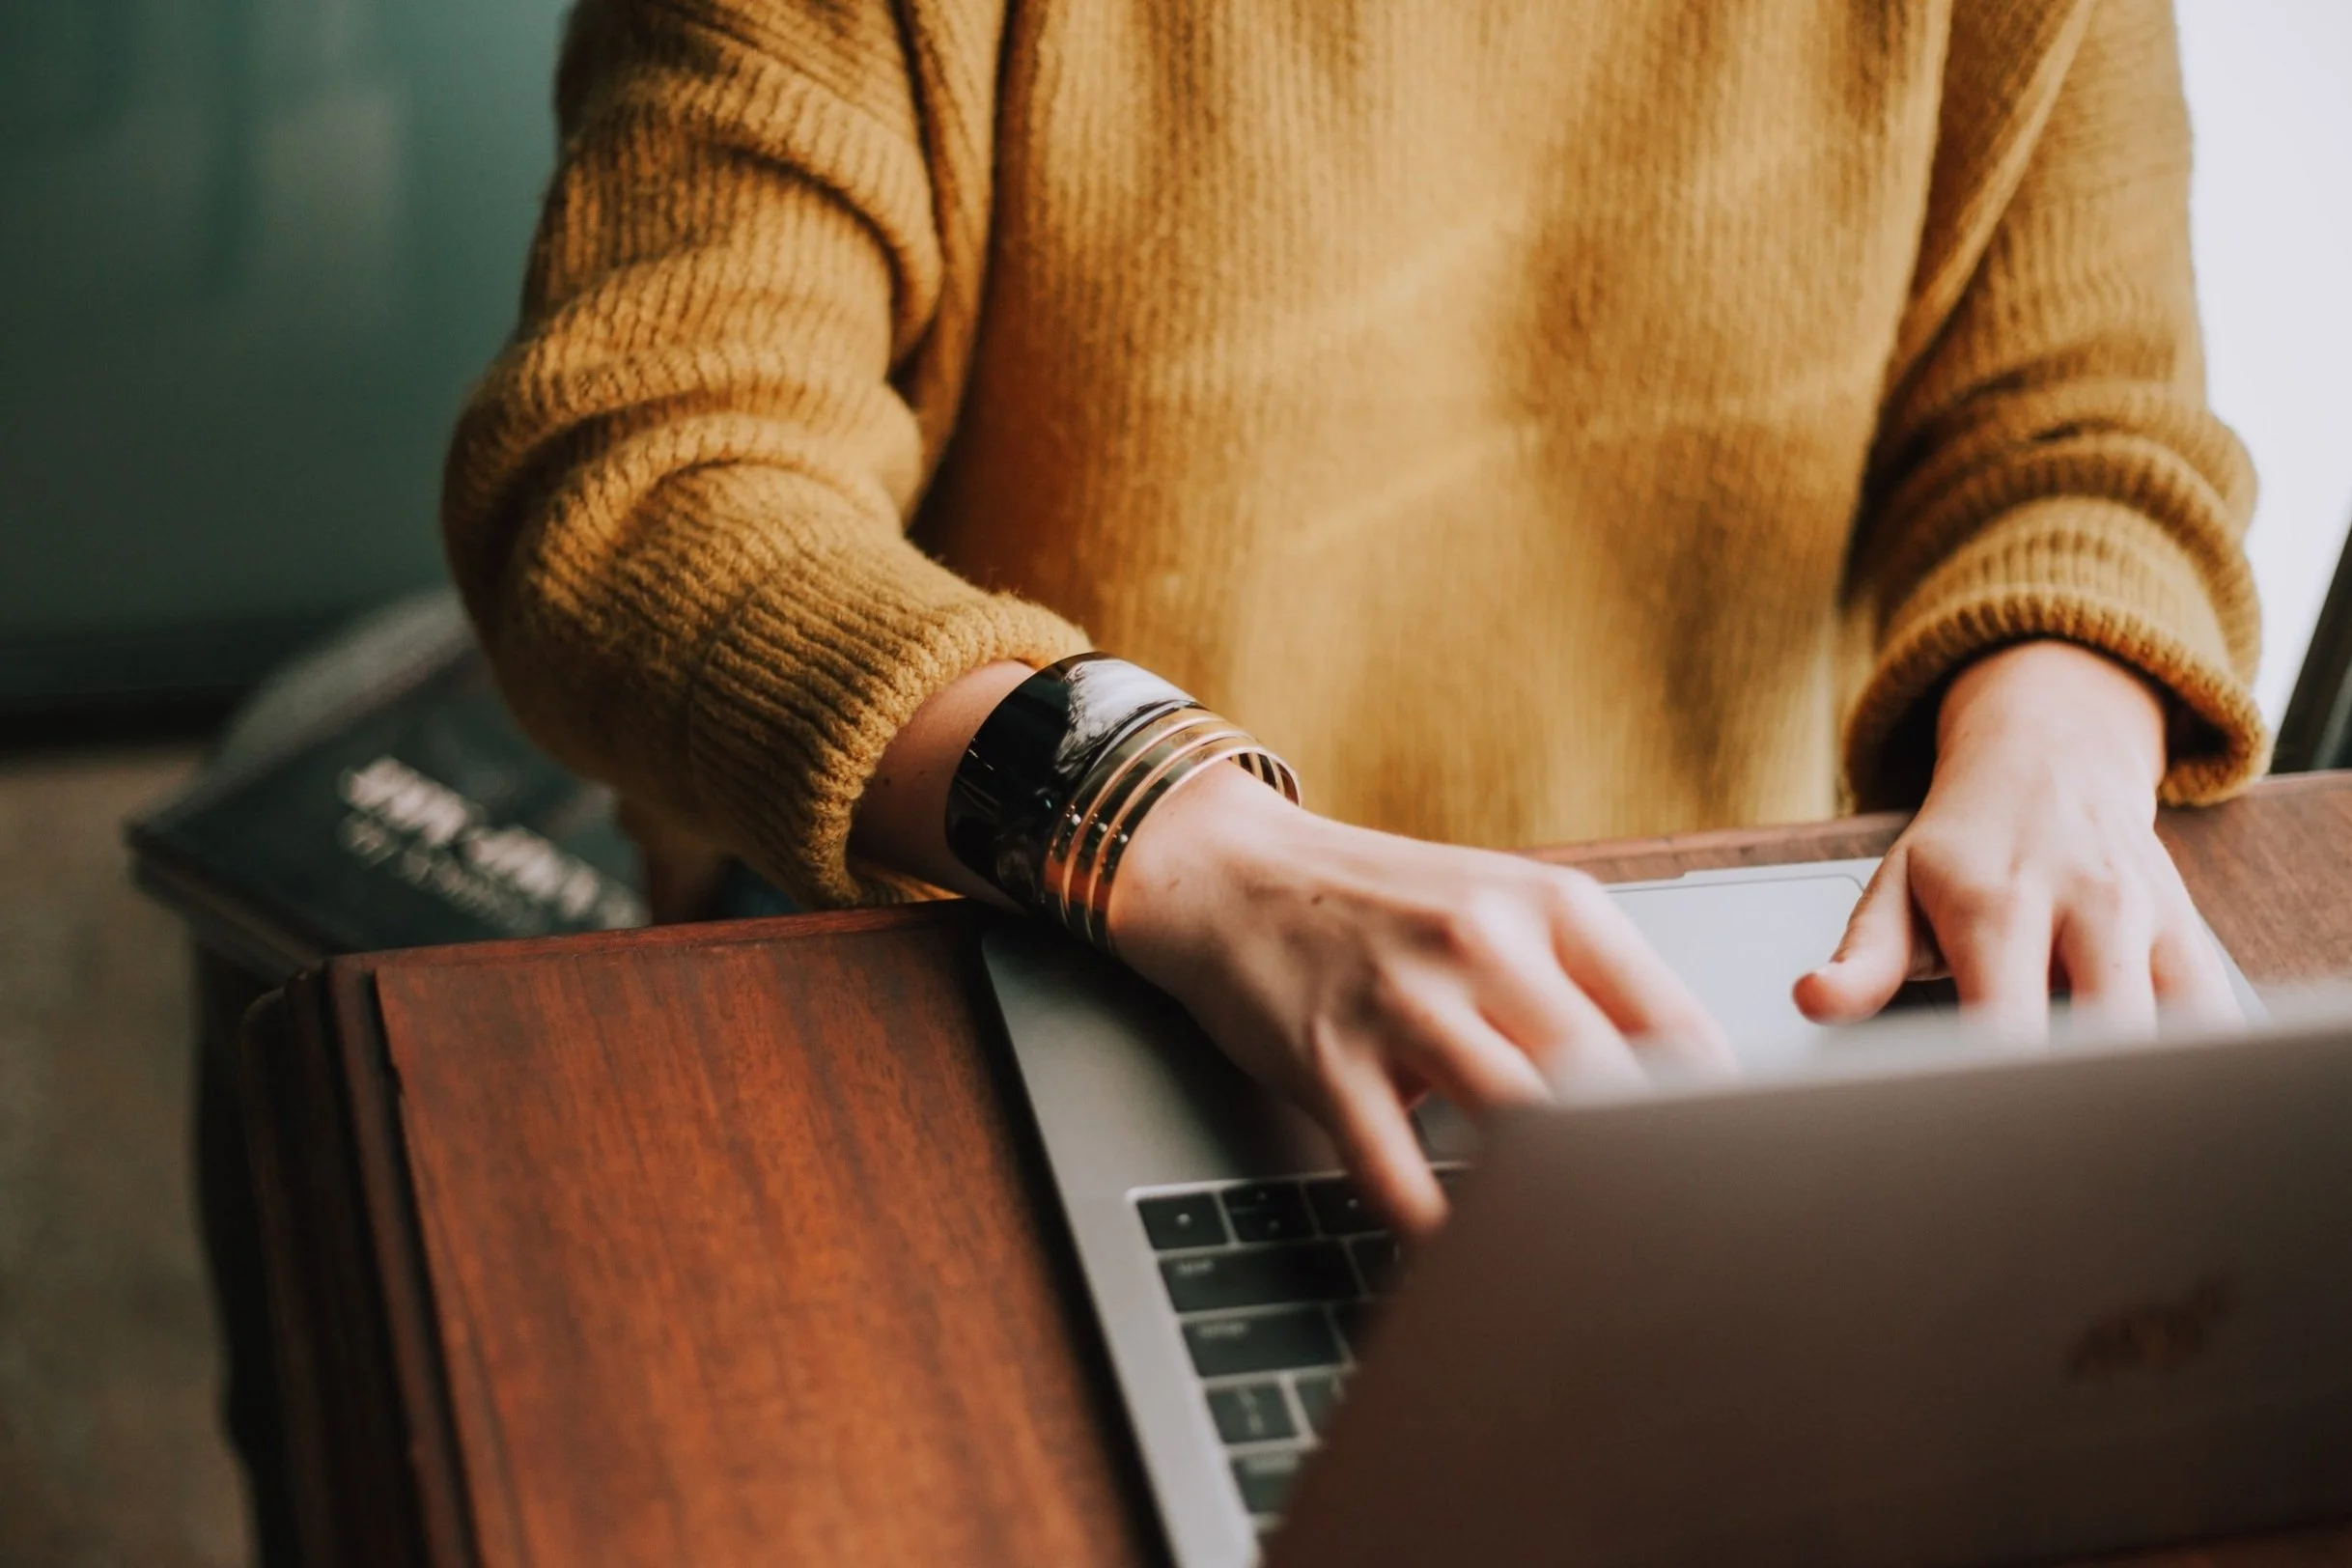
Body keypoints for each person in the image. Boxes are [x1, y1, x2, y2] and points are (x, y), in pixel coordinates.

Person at [444, 0, 2262, 1235]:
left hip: (1694, 1005)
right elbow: (641, 477)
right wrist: (1171, 826)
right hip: (1010, 945)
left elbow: (2081, 431)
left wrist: (2064, 738)